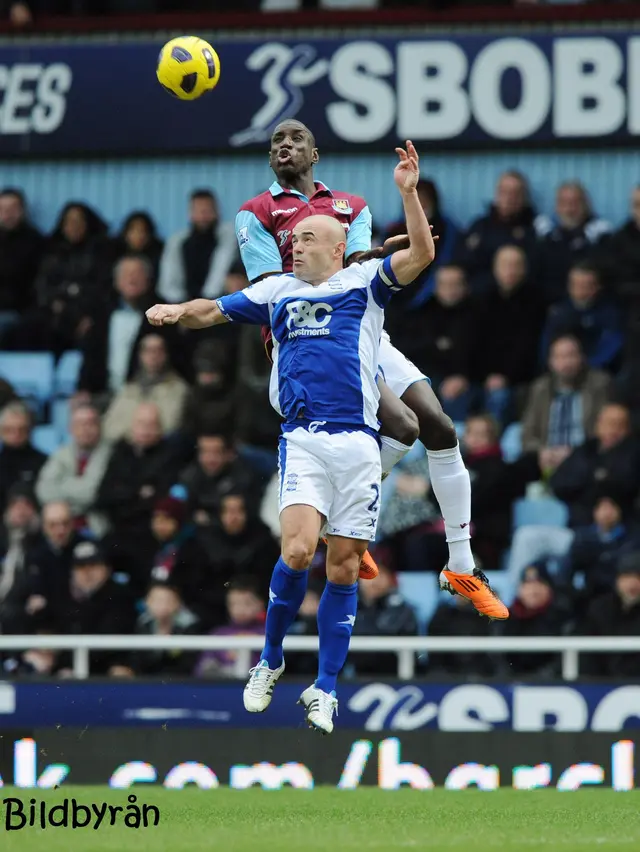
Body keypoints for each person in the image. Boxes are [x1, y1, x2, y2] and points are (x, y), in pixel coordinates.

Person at [147, 142, 481, 733]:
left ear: (334, 248)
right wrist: (176, 311)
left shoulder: (363, 284)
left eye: (304, 242)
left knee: (345, 569)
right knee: (299, 551)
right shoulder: (275, 293)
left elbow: (424, 254)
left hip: (359, 445)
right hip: (303, 438)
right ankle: (270, 660)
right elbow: (213, 309)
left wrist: (407, 191)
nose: (294, 246)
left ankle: (324, 689)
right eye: (293, 240)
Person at [235, 120, 478, 600]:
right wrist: (357, 259)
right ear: (270, 158)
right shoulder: (255, 213)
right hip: (310, 338)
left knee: (438, 425)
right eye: (276, 142)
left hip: (362, 326)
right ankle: (345, 524)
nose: (285, 145)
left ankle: (462, 564)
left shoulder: (353, 206)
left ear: (315, 153)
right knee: (403, 425)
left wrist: (376, 254)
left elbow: (354, 267)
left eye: (295, 139)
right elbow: (278, 289)